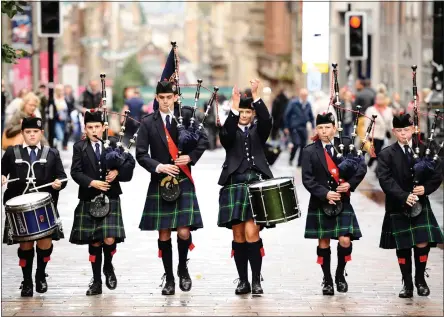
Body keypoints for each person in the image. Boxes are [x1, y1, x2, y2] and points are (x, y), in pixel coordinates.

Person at [136, 80, 208, 296]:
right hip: (160, 182)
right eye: (161, 98)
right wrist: (159, 167)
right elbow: (140, 154)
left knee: (184, 232)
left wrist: (190, 157)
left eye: (169, 97)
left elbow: (203, 140)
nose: (165, 101)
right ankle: (168, 277)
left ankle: (183, 268)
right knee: (164, 233)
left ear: (175, 97)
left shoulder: (186, 116)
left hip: (182, 179)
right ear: (156, 98)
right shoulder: (148, 122)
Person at [376, 113, 443, 298]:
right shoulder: (386, 154)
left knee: (422, 243)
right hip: (398, 205)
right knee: (403, 245)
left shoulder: (425, 150)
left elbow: (437, 174)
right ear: (394, 132)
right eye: (399, 131)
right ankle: (407, 284)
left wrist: (425, 188)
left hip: (421, 204)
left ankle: (420, 280)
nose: (403, 134)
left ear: (413, 130)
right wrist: (403, 196)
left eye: (406, 130)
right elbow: (385, 179)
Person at [70, 109, 135, 296]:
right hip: (89, 197)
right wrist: (91, 182)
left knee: (109, 238)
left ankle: (108, 266)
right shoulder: (79, 147)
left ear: (103, 127)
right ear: (85, 128)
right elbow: (75, 172)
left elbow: (130, 163)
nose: (94, 131)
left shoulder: (113, 143)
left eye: (97, 127)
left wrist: (117, 172)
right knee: (95, 241)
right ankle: (96, 281)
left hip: (111, 196)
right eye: (90, 127)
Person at [301, 112, 367, 296]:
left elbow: (361, 167)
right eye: (320, 128)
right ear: (316, 129)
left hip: (342, 201)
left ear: (335, 127)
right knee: (323, 242)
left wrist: (350, 184)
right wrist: (324, 193)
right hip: (320, 202)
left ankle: (340, 274)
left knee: (345, 240)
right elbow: (307, 178)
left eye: (327, 127)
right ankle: (327, 279)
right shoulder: (309, 151)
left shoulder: (346, 145)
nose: (324, 131)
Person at [217, 79, 273, 295]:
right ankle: (243, 281)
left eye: (248, 112)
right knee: (238, 235)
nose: (244, 115)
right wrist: (234, 103)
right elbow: (227, 133)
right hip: (234, 184)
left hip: (256, 185)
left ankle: (257, 281)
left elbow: (267, 119)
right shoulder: (227, 132)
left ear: (253, 114)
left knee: (252, 233)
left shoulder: (260, 130)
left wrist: (256, 95)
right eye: (241, 111)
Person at [1, 116, 67, 297]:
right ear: (22, 133)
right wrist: (2, 177)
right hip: (19, 206)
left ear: (41, 133)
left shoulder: (51, 153)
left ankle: (40, 274)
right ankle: (27, 281)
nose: (31, 135)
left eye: (35, 132)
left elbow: (62, 177)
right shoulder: (11, 152)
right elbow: (2, 171)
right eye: (28, 132)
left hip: (44, 206)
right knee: (25, 245)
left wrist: (58, 183)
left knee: (45, 243)